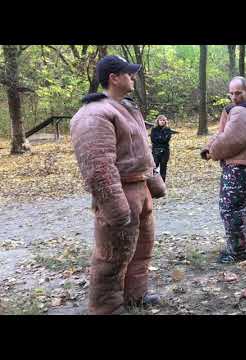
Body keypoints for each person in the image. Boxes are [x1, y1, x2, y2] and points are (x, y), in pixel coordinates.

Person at [70, 55, 166, 314]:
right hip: (119, 192)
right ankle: (107, 307)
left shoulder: (127, 108)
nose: (132, 77)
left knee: (142, 250)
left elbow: (143, 151)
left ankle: (136, 294)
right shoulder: (94, 113)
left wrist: (154, 182)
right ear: (113, 78)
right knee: (112, 256)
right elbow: (98, 166)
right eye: (128, 73)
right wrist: (115, 207)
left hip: (140, 189)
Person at [201, 76, 246, 264]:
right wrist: (209, 147)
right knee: (236, 208)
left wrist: (212, 151)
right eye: (231, 93)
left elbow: (231, 139)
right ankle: (238, 247)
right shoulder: (240, 110)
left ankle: (237, 252)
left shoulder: (244, 112)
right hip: (240, 164)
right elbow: (223, 134)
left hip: (242, 166)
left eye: (238, 93)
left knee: (231, 209)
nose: (234, 97)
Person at [150, 115, 177, 182]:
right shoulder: (154, 129)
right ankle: (154, 182)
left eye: (163, 120)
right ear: (158, 121)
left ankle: (162, 182)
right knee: (154, 166)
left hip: (165, 150)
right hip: (155, 150)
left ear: (165, 121)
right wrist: (161, 138)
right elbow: (153, 140)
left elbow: (166, 140)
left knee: (163, 166)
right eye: (161, 120)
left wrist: (159, 138)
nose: (162, 122)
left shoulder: (167, 129)